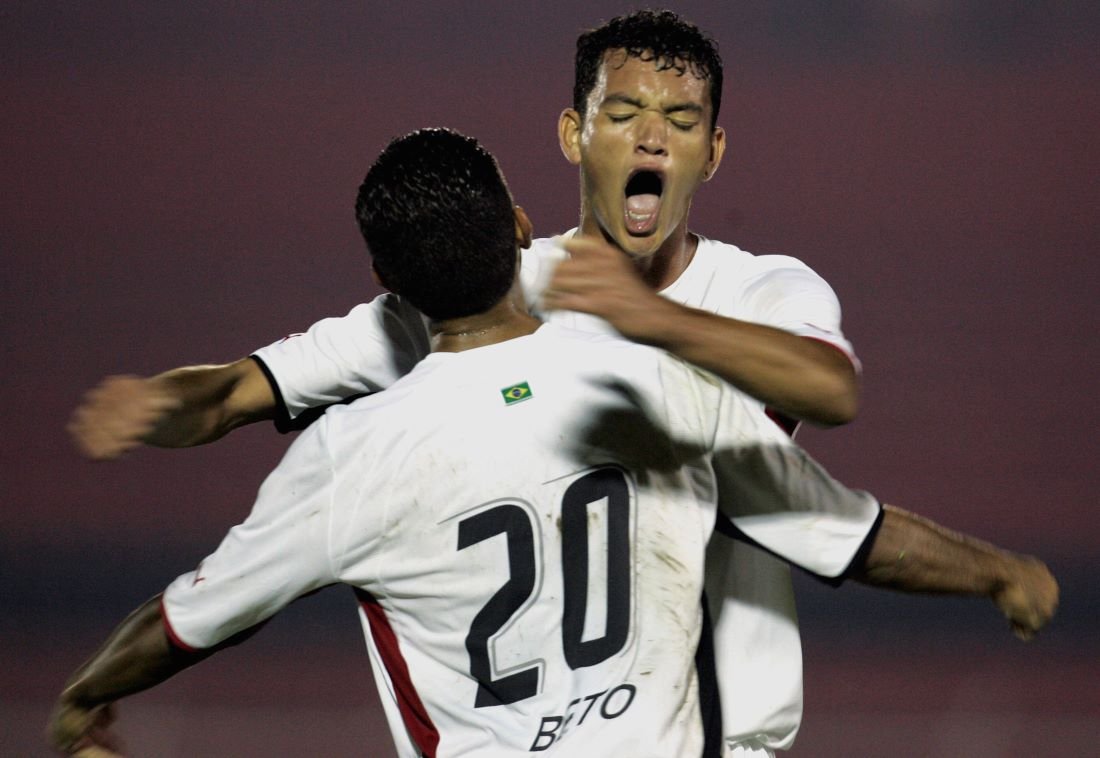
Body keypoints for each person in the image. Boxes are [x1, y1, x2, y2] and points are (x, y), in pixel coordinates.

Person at [60, 10, 1030, 756]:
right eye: (623, 113)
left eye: (678, 119)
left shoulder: (756, 292)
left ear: (710, 149)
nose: (650, 140)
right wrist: (162, 403)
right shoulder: (604, 354)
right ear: (570, 135)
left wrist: (79, 700)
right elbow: (239, 387)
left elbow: (826, 387)